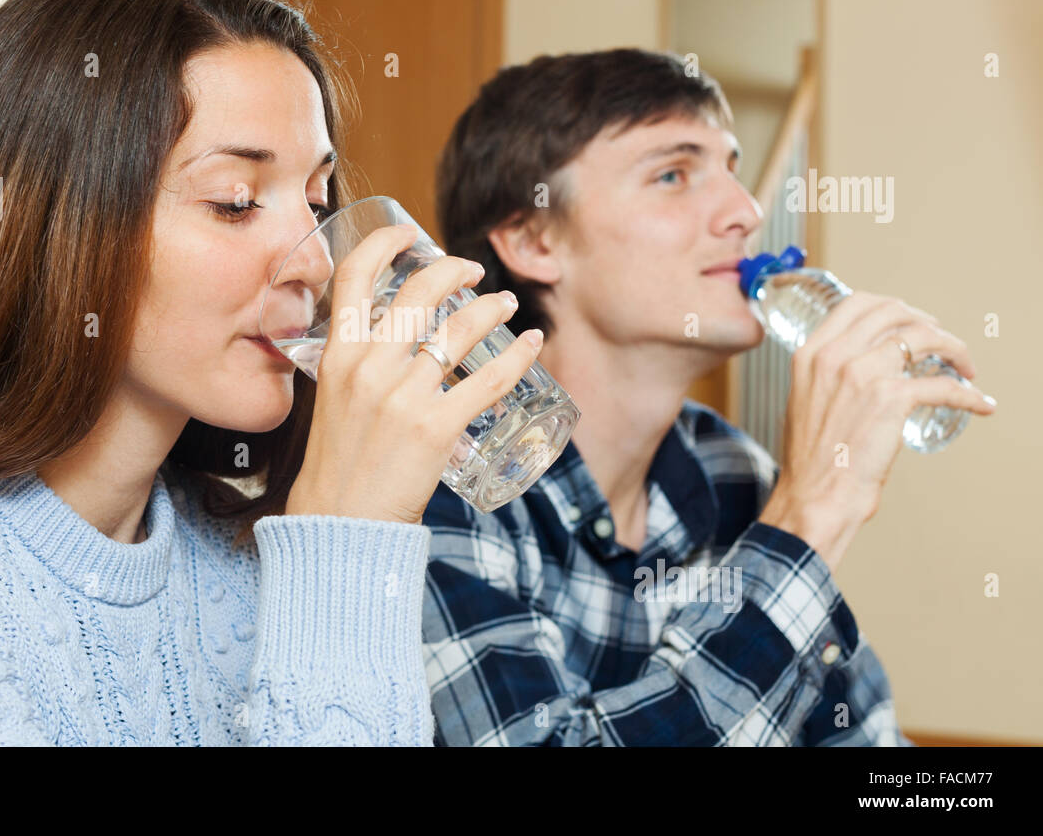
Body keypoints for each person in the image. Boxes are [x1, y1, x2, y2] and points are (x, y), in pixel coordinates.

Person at [0, 0, 542, 746]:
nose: (315, 259)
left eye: (315, 198)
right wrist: (347, 545)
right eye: (234, 202)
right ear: (57, 225)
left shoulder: (241, 566)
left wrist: (341, 556)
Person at [421, 48, 996, 746]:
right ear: (534, 238)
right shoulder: (444, 470)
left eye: (731, 167)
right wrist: (809, 518)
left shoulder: (732, 472)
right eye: (673, 173)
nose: (747, 212)